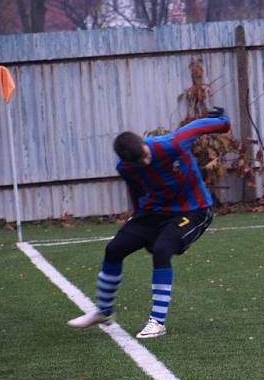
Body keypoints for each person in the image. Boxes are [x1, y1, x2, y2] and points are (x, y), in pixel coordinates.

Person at [67, 107, 231, 338]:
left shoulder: (171, 144)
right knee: (114, 249)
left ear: (144, 144)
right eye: (140, 161)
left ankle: (157, 322)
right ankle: (103, 312)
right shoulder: (125, 167)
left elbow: (204, 126)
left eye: (145, 154)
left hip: (193, 210)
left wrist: (221, 120)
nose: (146, 160)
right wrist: (136, 215)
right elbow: (135, 190)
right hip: (153, 212)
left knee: (162, 250)